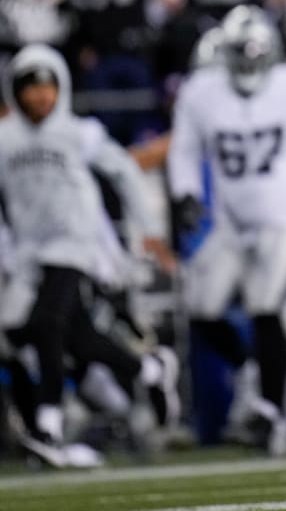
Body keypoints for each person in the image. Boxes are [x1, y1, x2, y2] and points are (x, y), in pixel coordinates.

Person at [168, 5, 286, 455]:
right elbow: (184, 151)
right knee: (202, 308)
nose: (248, 64)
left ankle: (274, 416)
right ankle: (251, 370)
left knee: (267, 306)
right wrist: (185, 193)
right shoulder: (202, 90)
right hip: (233, 220)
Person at [0, 44, 179, 466]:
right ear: (15, 91)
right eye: (31, 88)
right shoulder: (5, 139)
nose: (41, 97)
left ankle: (48, 425)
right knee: (44, 336)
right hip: (29, 250)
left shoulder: (81, 132)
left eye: (48, 87)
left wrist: (150, 230)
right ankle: (149, 370)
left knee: (48, 325)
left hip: (75, 242)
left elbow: (124, 170)